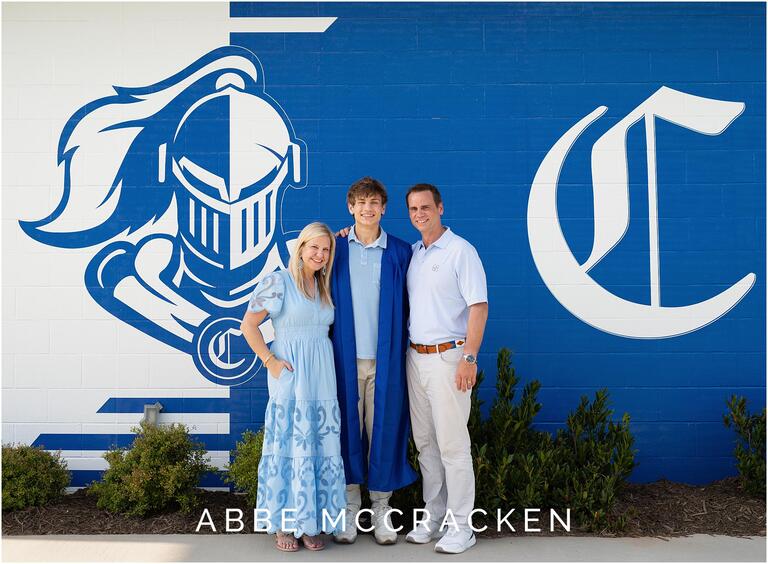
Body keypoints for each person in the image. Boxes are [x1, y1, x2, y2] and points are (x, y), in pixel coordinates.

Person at [240, 222, 345, 552]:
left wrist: (342, 234)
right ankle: (285, 524)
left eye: (326, 249)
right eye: (314, 247)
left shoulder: (322, 285)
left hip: (322, 376)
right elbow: (248, 325)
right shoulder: (278, 281)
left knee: (318, 446)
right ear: (300, 248)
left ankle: (310, 523)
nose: (320, 254)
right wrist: (269, 361)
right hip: (292, 374)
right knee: (290, 447)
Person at [329, 177, 417, 545]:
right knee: (347, 432)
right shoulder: (334, 249)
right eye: (361, 202)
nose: (367, 208)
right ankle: (350, 509)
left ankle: (381, 509)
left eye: (374, 202)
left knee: (383, 431)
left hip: (385, 361)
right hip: (344, 359)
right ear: (350, 207)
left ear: (383, 208)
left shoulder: (400, 251)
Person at [403, 183, 488, 555]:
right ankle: (434, 516)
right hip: (415, 359)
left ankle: (462, 527)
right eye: (413, 209)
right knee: (425, 445)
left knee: (453, 446)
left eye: (425, 207)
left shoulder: (460, 251)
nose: (419, 214)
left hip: (449, 358)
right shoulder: (413, 254)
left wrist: (469, 357)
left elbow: (479, 306)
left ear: (440, 208)